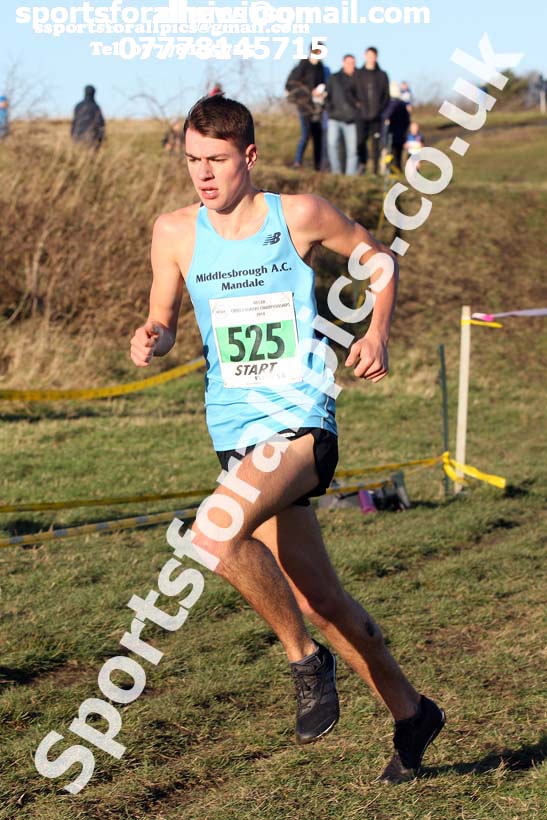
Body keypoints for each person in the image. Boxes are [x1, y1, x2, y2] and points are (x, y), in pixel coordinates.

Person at [130, 94, 445, 784]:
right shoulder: (174, 231)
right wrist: (153, 334)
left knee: (214, 535)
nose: (203, 174)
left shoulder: (297, 214)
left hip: (300, 419)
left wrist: (377, 332)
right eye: (192, 160)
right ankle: (412, 711)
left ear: (248, 156)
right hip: (234, 431)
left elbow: (378, 261)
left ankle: (305, 661)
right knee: (317, 599)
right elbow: (165, 316)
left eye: (216, 160)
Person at [285, 46, 327, 170]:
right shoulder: (303, 65)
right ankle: (297, 161)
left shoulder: (321, 68)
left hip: (317, 105)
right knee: (306, 133)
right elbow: (291, 85)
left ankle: (318, 166)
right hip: (304, 104)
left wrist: (321, 93)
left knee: (318, 136)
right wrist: (310, 91)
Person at [354, 47, 390, 175]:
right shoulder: (358, 74)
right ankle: (362, 166)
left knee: (376, 144)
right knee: (360, 141)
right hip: (361, 115)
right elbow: (351, 91)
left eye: (373, 56)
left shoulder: (382, 75)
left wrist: (380, 109)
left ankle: (375, 170)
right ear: (365, 56)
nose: (371, 58)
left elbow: (386, 96)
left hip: (376, 116)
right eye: (369, 55)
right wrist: (357, 104)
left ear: (376, 57)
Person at [325, 54, 360, 176]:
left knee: (352, 149)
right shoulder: (334, 78)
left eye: (353, 63)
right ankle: (336, 173)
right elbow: (327, 96)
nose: (351, 66)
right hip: (334, 117)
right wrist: (330, 110)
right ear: (343, 63)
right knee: (332, 145)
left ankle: (350, 176)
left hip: (351, 119)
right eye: (349, 63)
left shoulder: (358, 79)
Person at [381, 82, 410, 171]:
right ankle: (396, 169)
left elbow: (384, 117)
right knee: (397, 153)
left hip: (391, 133)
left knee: (391, 152)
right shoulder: (402, 104)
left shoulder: (388, 104)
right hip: (399, 133)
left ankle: (391, 170)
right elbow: (407, 120)